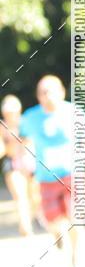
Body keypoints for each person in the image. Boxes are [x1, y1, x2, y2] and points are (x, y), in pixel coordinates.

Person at [20, 75, 79, 264]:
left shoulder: (73, 112)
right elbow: (23, 142)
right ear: (38, 96)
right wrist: (25, 164)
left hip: (71, 174)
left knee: (74, 216)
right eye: (43, 92)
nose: (48, 96)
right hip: (45, 178)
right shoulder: (30, 117)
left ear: (62, 92)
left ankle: (75, 255)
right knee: (51, 218)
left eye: (51, 91)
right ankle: (57, 233)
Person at [0, 94, 39, 236]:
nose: (10, 114)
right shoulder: (2, 126)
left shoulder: (26, 122)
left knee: (34, 196)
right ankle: (25, 226)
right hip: (12, 163)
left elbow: (32, 142)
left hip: (29, 161)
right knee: (20, 195)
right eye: (7, 111)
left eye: (12, 111)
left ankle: (35, 217)